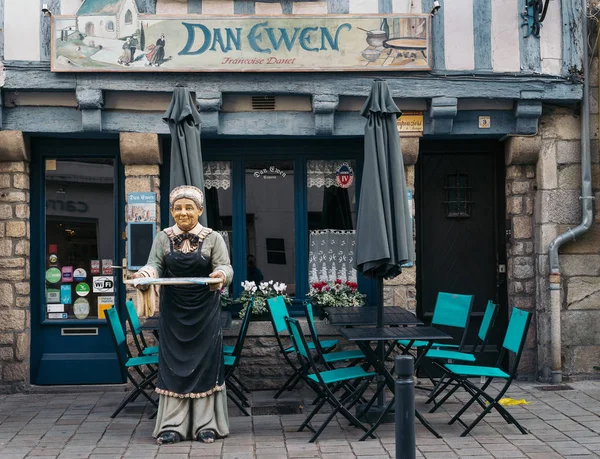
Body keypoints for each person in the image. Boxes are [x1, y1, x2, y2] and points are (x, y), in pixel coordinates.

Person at [133, 185, 233, 445]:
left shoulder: (213, 238)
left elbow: (224, 266)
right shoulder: (163, 238)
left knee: (206, 364)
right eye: (178, 208)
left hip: (205, 312)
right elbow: (154, 264)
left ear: (200, 210)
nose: (183, 212)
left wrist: (220, 275)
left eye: (189, 207)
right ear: (171, 211)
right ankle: (171, 425)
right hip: (174, 313)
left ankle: (206, 425)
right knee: (173, 367)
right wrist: (145, 275)